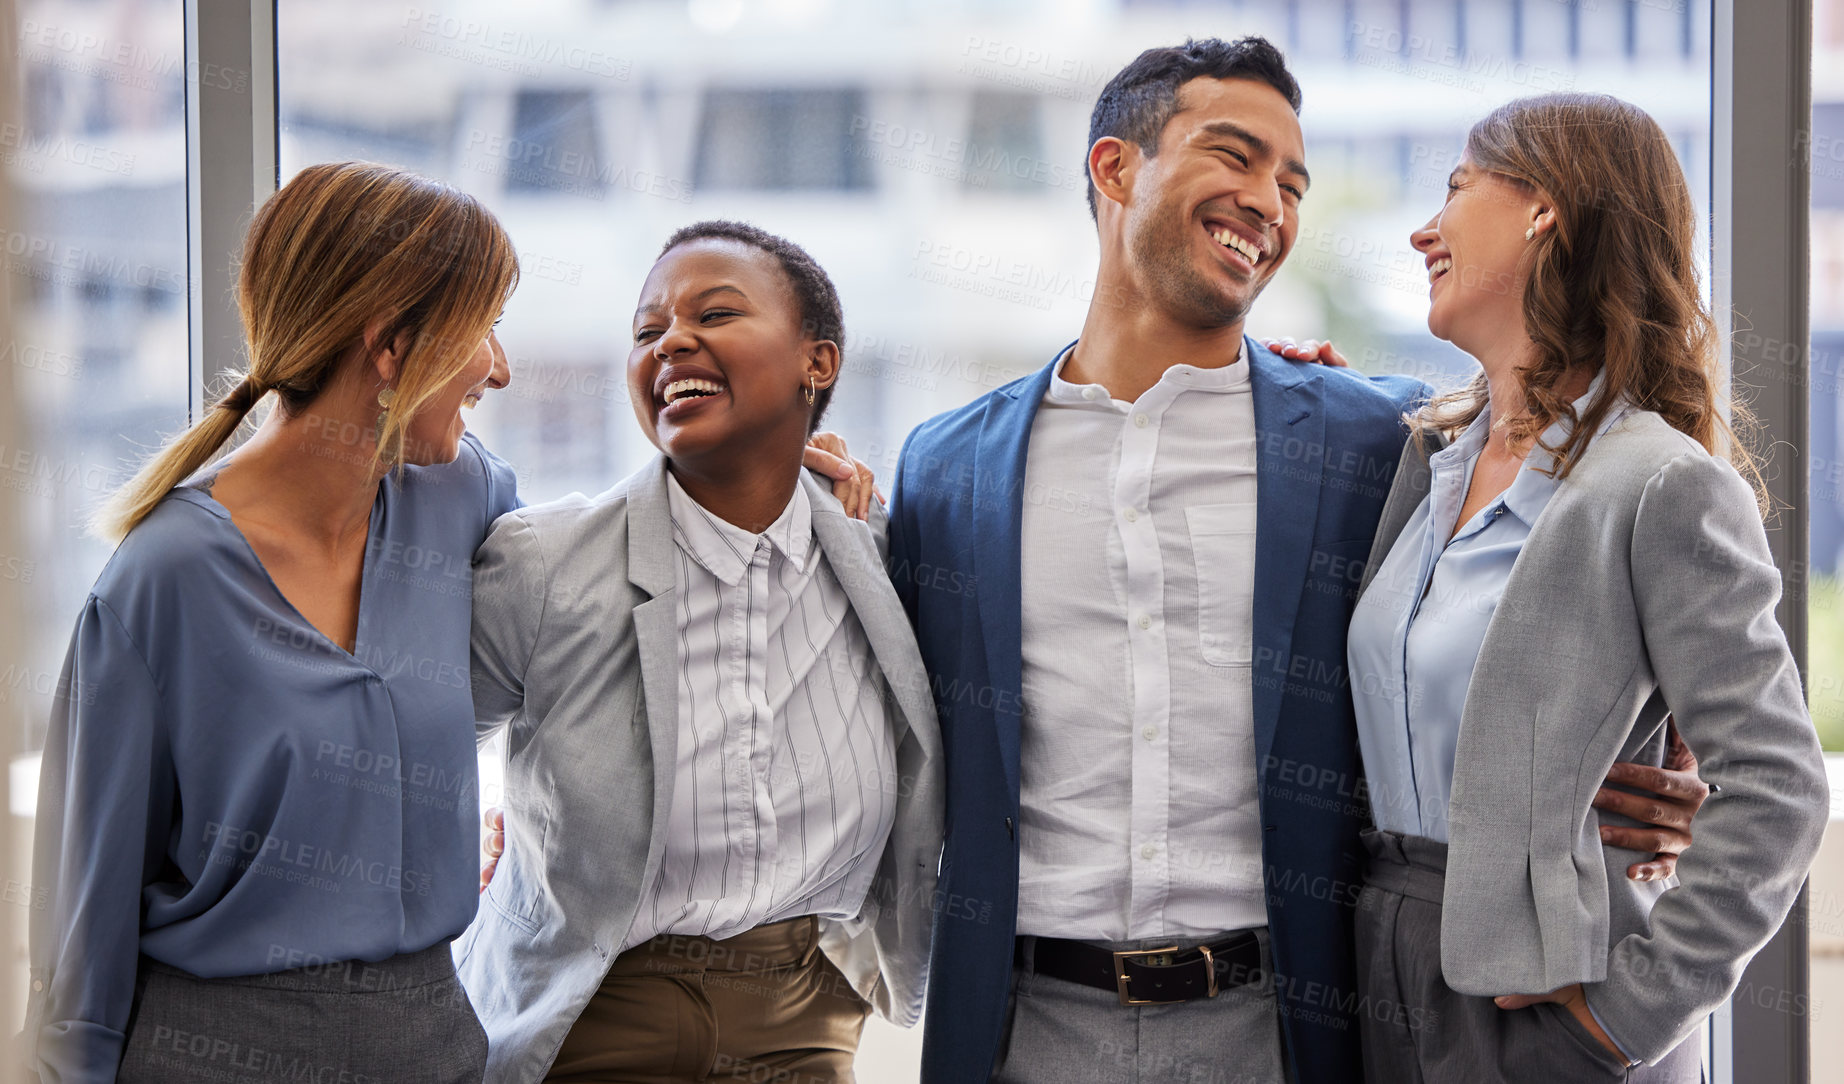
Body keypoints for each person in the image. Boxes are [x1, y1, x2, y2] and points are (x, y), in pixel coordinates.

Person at [881, 38, 1710, 1084]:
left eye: (1291, 182)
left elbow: (1571, 610)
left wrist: (1679, 778)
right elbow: (883, 718)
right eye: (1233, 156)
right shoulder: (943, 468)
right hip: (1024, 1032)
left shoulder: (1387, 443)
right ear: (1113, 169)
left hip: (1292, 1029)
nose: (1267, 201)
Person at [1323, 92, 1826, 1082]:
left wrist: (1620, 1021)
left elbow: (1774, 785)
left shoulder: (1661, 482)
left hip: (1542, 1008)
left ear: (1543, 207)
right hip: (1379, 974)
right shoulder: (1425, 464)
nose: (1424, 227)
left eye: (1456, 187)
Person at [27, 161, 521, 1083]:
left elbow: (602, 587)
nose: (499, 367)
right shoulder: (162, 579)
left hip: (435, 1049)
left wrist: (781, 477)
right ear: (389, 347)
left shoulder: (463, 498)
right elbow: (81, 930)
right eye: (481, 328)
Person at [460, 220, 942, 1084]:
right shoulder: (544, 561)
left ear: (816, 363)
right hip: (593, 1007)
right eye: (647, 332)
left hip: (804, 1008)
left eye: (716, 313)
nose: (671, 340)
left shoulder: (886, 552)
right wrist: (476, 847)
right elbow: (404, 753)